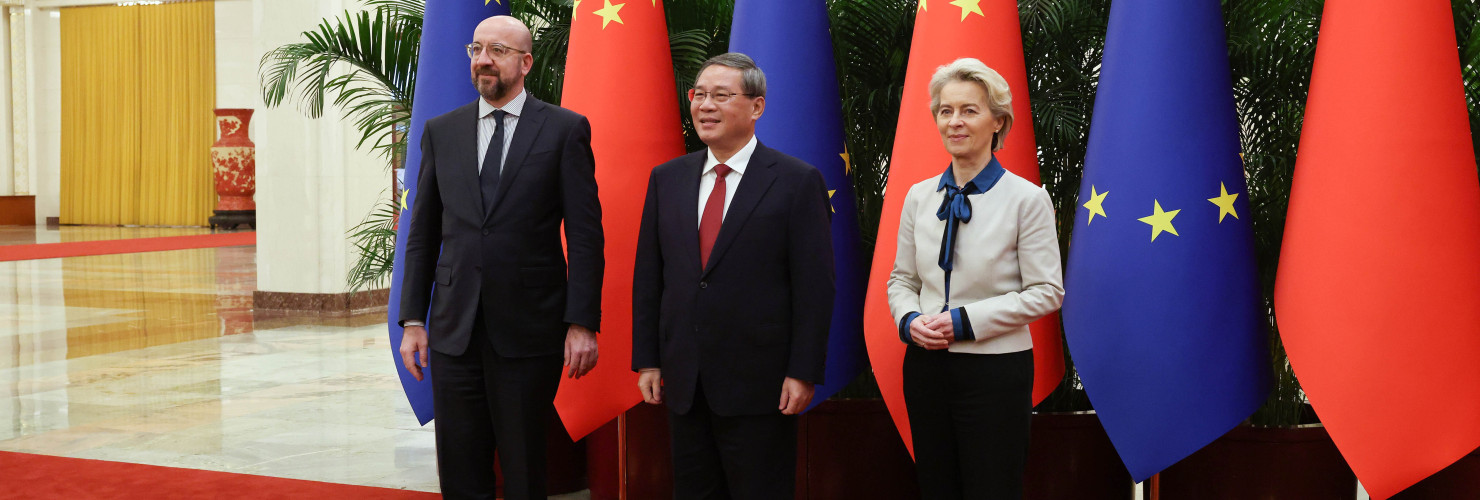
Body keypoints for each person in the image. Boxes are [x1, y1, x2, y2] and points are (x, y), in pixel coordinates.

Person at [396, 15, 603, 500]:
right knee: (460, 463)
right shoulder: (441, 132)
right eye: (476, 49)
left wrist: (582, 322)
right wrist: (411, 320)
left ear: (525, 62)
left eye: (498, 50)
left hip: (529, 329)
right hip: (453, 329)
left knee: (525, 464)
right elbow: (423, 234)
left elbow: (587, 235)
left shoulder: (564, 130)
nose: (483, 59)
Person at [630, 52, 835, 500]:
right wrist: (648, 357)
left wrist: (803, 371)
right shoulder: (668, 178)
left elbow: (815, 287)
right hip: (684, 382)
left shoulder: (796, 181)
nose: (705, 106)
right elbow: (650, 275)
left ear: (756, 106)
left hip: (761, 384)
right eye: (699, 94)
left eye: (721, 96)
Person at [886, 58, 1064, 500]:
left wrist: (964, 321)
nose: (955, 121)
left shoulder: (1027, 199)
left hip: (996, 371)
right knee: (936, 485)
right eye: (945, 111)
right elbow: (901, 279)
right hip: (926, 369)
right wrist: (910, 320)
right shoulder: (918, 196)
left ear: (998, 122)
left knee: (992, 487)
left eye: (969, 110)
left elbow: (1047, 292)